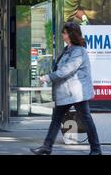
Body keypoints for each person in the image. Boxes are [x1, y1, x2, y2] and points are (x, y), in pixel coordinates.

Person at [30, 22, 102, 155]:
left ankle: (96, 150)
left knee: (86, 119)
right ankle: (46, 147)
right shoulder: (68, 49)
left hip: (76, 92)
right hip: (67, 92)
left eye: (64, 32)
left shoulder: (79, 51)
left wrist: (48, 77)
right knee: (56, 119)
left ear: (70, 34)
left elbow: (66, 70)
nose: (62, 34)